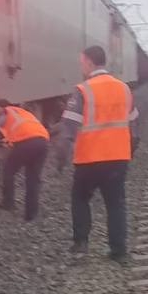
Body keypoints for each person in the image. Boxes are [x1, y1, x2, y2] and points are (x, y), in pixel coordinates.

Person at [54, 44, 138, 263]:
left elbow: (67, 130)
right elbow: (134, 127)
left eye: (82, 62)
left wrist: (61, 159)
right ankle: (119, 251)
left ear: (90, 63)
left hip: (89, 159)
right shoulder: (124, 89)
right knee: (116, 203)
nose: (81, 66)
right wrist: (128, 152)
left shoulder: (83, 90)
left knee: (80, 198)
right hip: (118, 159)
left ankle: (81, 245)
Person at [0, 99, 49, 221]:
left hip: (27, 142)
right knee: (33, 179)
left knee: (8, 171)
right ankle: (31, 214)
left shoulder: (6, 111)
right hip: (43, 142)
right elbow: (17, 132)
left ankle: (8, 203)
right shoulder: (22, 112)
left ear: (0, 107)